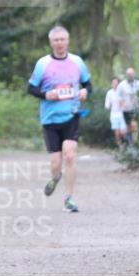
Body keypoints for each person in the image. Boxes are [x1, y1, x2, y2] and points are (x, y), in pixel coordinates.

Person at [27, 25, 92, 212]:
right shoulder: (43, 64)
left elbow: (88, 84)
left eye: (62, 39)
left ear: (68, 40)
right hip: (49, 119)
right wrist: (47, 95)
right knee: (56, 162)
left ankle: (69, 198)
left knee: (70, 155)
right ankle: (56, 178)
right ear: (51, 42)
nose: (60, 43)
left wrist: (84, 91)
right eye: (56, 40)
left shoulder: (77, 62)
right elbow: (31, 88)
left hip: (72, 114)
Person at [116, 67, 139, 143]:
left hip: (137, 108)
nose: (130, 75)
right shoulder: (122, 85)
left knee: (134, 125)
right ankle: (130, 141)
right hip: (126, 109)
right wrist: (121, 105)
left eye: (131, 74)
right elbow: (118, 97)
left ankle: (135, 141)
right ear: (126, 75)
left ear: (134, 74)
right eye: (128, 74)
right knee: (129, 127)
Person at [104, 76, 128, 147]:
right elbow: (107, 105)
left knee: (123, 132)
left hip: (122, 114)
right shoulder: (109, 93)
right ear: (111, 84)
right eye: (113, 83)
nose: (115, 84)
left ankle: (125, 144)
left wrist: (123, 105)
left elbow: (125, 102)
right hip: (114, 114)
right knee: (117, 132)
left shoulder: (122, 92)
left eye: (116, 83)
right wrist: (110, 104)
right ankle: (120, 146)